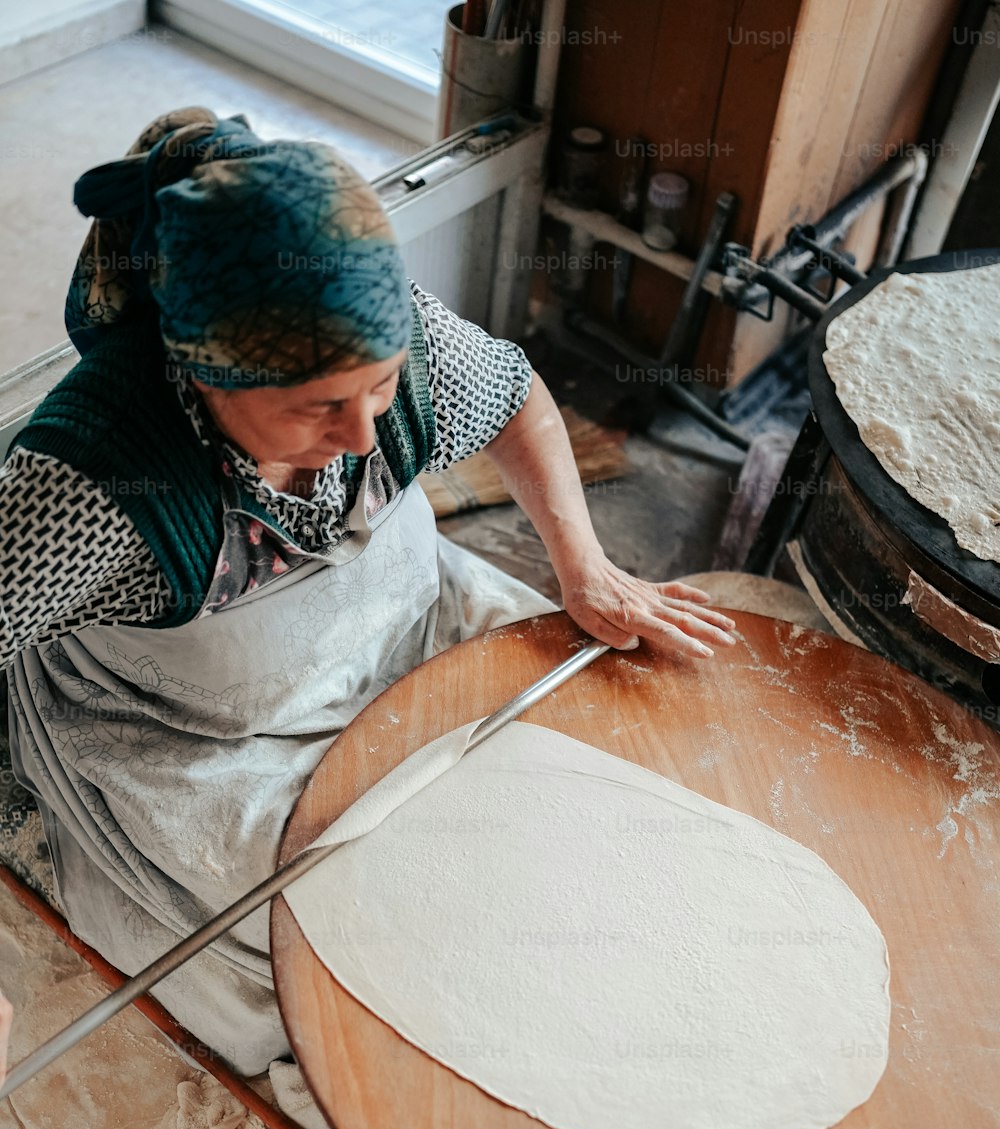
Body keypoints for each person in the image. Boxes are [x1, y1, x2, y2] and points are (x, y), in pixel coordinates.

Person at [0, 108, 736, 1077]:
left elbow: (516, 400)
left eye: (380, 388)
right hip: (210, 744)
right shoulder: (95, 477)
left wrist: (583, 567)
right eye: (315, 410)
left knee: (596, 776)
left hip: (406, 629)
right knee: (359, 949)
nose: (361, 437)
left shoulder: (399, 351)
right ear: (203, 373)